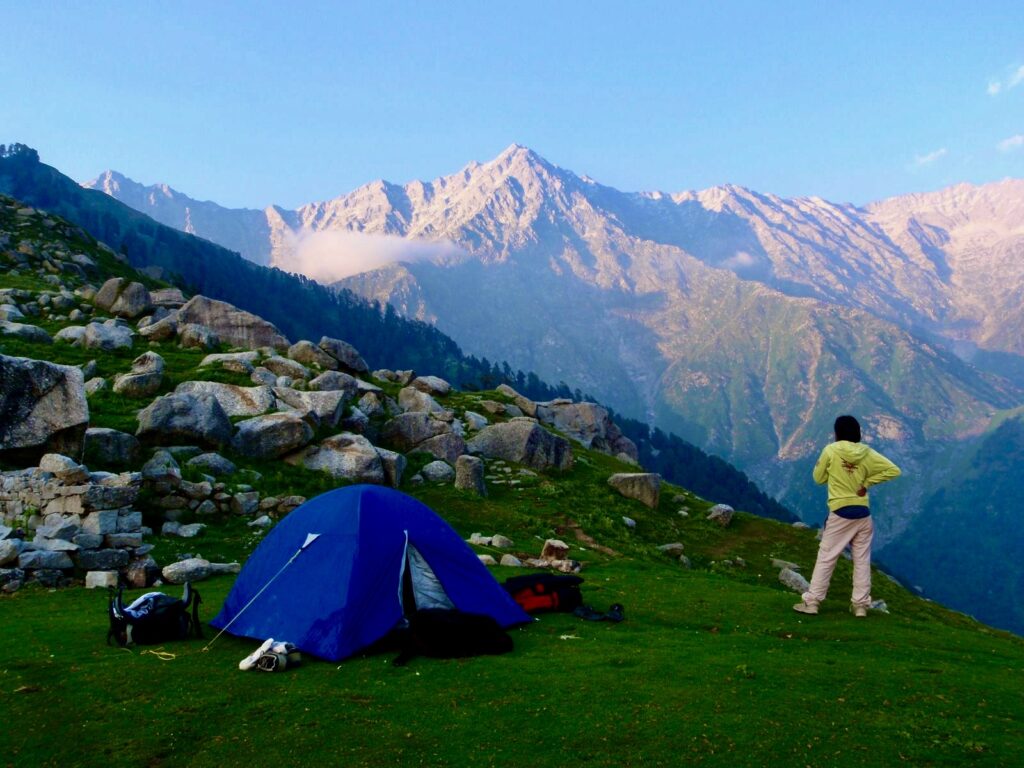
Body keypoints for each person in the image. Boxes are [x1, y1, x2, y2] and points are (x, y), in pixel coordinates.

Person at [793, 415, 901, 618]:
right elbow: (893, 470)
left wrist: (832, 475)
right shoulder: (867, 452)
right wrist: (866, 484)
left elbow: (818, 479)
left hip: (840, 512)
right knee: (861, 559)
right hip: (862, 513)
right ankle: (860, 606)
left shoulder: (831, 450)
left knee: (827, 557)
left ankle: (813, 602)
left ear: (837, 432)